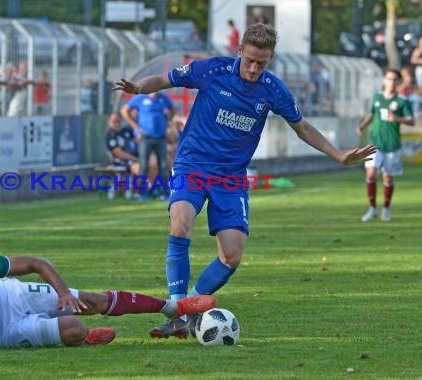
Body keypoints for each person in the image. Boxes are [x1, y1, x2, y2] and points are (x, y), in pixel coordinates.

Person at [114, 23, 377, 339]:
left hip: (231, 178)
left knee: (232, 255)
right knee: (180, 223)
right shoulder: (212, 69)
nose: (253, 68)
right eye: (250, 60)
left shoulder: (273, 89)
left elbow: (302, 127)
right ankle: (177, 308)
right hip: (192, 165)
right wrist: (139, 88)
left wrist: (338, 155)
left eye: (261, 63)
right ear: (239, 51)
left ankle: (188, 308)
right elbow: (165, 79)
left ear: (270, 60)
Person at [0, 254, 216, 356]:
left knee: (88, 300)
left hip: (12, 296)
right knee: (74, 327)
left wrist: (63, 293)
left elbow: (36, 263)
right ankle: (82, 338)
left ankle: (176, 309)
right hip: (1, 334)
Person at [355, 68, 415, 222]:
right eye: (389, 79)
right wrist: (362, 126)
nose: (391, 82)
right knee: (370, 174)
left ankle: (386, 209)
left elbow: (411, 121)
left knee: (388, 179)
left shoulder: (402, 101)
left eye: (395, 79)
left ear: (399, 82)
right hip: (375, 144)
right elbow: (371, 114)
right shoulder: (377, 98)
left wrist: (396, 118)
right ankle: (372, 208)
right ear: (384, 80)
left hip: (392, 145)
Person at [120, 91, 174, 201]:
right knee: (144, 165)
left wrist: (167, 121)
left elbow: (172, 110)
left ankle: (164, 192)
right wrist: (136, 127)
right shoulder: (141, 98)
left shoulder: (163, 98)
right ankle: (142, 193)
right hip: (146, 138)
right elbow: (124, 110)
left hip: (161, 137)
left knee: (163, 166)